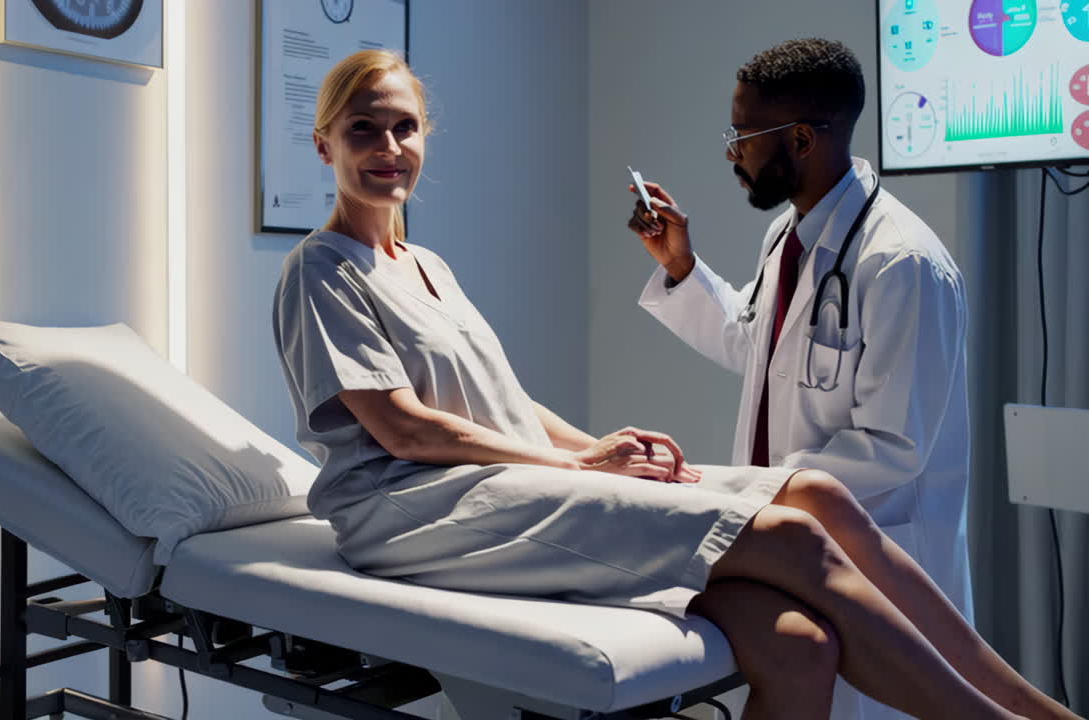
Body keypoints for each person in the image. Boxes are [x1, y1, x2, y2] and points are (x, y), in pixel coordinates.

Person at [274, 48, 1078, 720]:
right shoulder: (320, 268)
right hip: (416, 505)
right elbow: (406, 431)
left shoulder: (426, 266)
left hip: (496, 481)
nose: (388, 145)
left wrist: (606, 451)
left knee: (805, 613)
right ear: (324, 146)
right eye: (363, 129)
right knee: (799, 529)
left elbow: (508, 406)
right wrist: (589, 465)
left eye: (403, 126)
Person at [628, 39, 975, 719]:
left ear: (800, 139)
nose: (733, 153)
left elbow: (894, 447)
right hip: (796, 547)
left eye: (744, 136)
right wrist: (680, 268)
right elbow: (761, 348)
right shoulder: (792, 237)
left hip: (873, 560)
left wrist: (748, 496)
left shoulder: (902, 264)